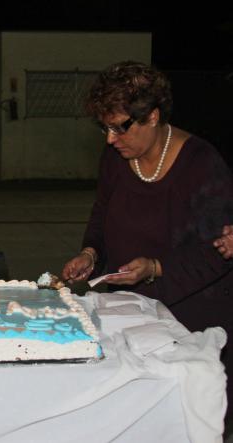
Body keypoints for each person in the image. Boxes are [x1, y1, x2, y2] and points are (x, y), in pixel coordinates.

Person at [61, 60, 233, 432]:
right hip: (132, 312)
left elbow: (217, 255)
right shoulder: (116, 157)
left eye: (120, 127)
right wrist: (90, 253)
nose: (110, 139)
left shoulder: (203, 165)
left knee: (180, 425)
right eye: (104, 128)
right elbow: (102, 213)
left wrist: (155, 269)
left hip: (190, 319)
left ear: (153, 116)